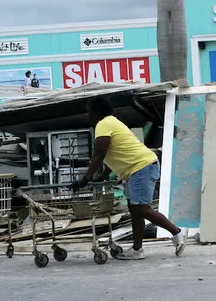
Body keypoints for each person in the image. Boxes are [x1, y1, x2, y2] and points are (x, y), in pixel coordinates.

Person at [76, 97, 185, 259]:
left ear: (98, 112)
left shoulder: (103, 124)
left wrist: (86, 178)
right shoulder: (111, 122)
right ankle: (137, 250)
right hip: (140, 168)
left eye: (89, 111)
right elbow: (115, 155)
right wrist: (101, 176)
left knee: (141, 209)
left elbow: (100, 153)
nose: (87, 116)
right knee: (136, 211)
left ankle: (176, 233)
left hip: (140, 167)